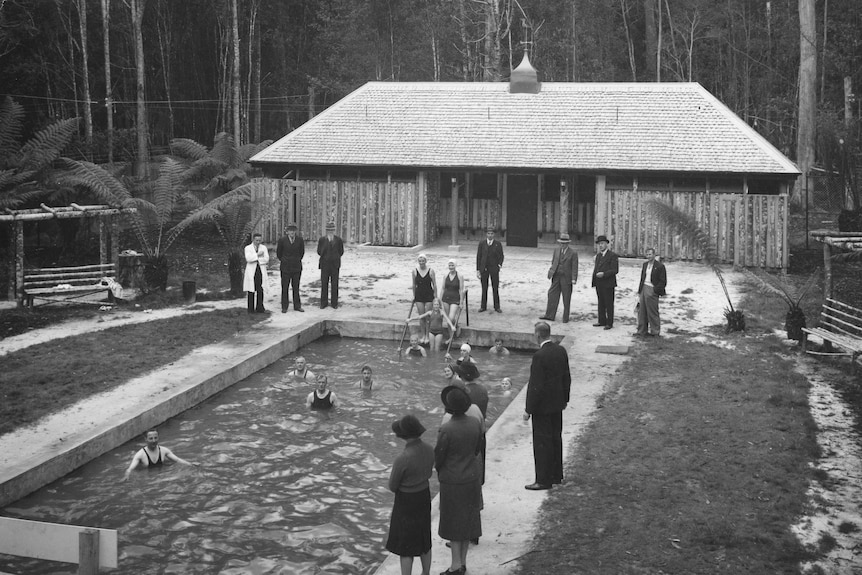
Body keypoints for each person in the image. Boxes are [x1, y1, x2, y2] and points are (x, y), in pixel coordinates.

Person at [435, 385, 483, 575]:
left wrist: (442, 470)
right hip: (471, 476)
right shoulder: (474, 422)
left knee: (454, 523)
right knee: (466, 523)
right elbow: (477, 448)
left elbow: (439, 457)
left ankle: (455, 566)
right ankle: (462, 562)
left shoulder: (447, 428)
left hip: (453, 480)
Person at [522, 322, 572, 490]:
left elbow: (535, 385)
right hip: (557, 404)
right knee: (555, 439)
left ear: (537, 335)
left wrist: (528, 409)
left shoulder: (539, 356)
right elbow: (567, 377)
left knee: (542, 443)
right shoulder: (561, 351)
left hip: (542, 408)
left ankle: (543, 480)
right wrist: (565, 398)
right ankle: (556, 475)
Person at [385, 415, 435, 575]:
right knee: (424, 539)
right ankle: (426, 573)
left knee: (406, 546)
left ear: (403, 435)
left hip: (406, 502)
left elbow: (393, 486)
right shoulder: (429, 449)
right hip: (424, 496)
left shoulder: (403, 458)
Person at [123, 429, 194, 480]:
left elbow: (177, 460)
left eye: (155, 438)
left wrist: (191, 464)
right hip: (147, 478)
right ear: (146, 439)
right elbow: (130, 469)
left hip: (161, 476)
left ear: (158, 438)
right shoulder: (140, 454)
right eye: (151, 438)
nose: (154, 441)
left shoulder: (164, 450)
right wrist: (127, 475)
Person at [540, 232, 579, 323]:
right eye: (561, 243)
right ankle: (549, 315)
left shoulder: (573, 253)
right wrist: (551, 271)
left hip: (566, 278)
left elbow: (575, 267)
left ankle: (565, 318)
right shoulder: (556, 250)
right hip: (556, 276)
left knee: (566, 298)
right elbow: (554, 261)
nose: (563, 245)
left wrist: (574, 278)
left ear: (568, 243)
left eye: (564, 243)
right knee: (552, 294)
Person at [636, 248, 667, 337]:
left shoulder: (660, 266)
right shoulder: (645, 265)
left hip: (652, 288)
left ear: (654, 255)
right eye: (647, 254)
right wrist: (639, 290)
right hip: (644, 288)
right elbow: (642, 278)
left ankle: (655, 331)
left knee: (652, 311)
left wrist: (656, 290)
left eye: (650, 254)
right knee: (641, 311)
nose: (649, 256)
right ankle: (642, 330)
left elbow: (663, 281)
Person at [591, 235, 619, 330]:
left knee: (608, 303)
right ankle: (601, 320)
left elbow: (615, 270)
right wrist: (594, 280)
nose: (601, 246)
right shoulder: (598, 256)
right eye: (599, 244)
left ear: (607, 244)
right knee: (601, 302)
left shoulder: (612, 255)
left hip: (608, 283)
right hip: (599, 283)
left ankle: (609, 322)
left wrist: (604, 274)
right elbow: (596, 268)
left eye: (602, 243)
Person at [276, 223, 305, 313]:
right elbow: (279, 253)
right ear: (287, 232)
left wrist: (296, 260)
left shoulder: (300, 240)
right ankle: (284, 306)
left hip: (296, 267)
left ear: (295, 231)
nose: (292, 232)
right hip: (285, 267)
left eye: (293, 230)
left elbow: (302, 253)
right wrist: (285, 260)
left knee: (296, 287)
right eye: (290, 230)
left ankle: (297, 306)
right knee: (285, 287)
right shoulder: (282, 240)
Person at [476, 226, 504, 313]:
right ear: (486, 234)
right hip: (484, 268)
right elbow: (479, 257)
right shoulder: (482, 244)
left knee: (495, 288)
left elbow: (501, 256)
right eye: (488, 233)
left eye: (492, 233)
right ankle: (483, 306)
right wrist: (478, 270)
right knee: (484, 288)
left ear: (494, 234)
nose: (490, 235)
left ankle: (497, 306)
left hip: (494, 269)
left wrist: (499, 265)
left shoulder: (497, 244)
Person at [317, 221, 344, 309]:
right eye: (328, 230)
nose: (330, 231)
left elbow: (341, 251)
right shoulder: (322, 240)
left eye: (332, 230)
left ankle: (334, 303)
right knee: (324, 284)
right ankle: (323, 303)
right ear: (326, 231)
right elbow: (319, 251)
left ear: (334, 230)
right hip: (325, 265)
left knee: (334, 284)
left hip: (335, 265)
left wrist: (335, 257)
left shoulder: (338, 240)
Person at [412, 254, 437, 344]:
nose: (421, 263)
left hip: (429, 295)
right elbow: (414, 285)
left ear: (426, 261)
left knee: (428, 316)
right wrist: (414, 296)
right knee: (421, 316)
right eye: (420, 261)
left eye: (423, 261)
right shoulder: (414, 271)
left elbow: (434, 284)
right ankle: (423, 335)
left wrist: (436, 297)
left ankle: (427, 335)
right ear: (418, 262)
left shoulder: (431, 271)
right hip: (419, 295)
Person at [243, 232, 269, 313]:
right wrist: (258, 255)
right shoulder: (248, 248)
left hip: (260, 270)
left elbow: (266, 259)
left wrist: (256, 258)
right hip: (251, 271)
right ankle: (250, 309)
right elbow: (248, 259)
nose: (258, 242)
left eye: (260, 240)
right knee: (251, 290)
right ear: (253, 240)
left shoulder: (263, 248)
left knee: (260, 289)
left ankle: (260, 308)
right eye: (257, 240)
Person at [441, 260, 466, 335]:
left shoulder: (460, 276)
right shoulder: (445, 275)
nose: (451, 267)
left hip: (455, 298)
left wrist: (461, 302)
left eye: (452, 265)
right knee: (448, 319)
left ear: (455, 266)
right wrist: (439, 299)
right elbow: (443, 288)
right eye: (450, 265)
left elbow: (461, 289)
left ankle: (456, 326)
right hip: (446, 298)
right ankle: (450, 336)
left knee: (451, 317)